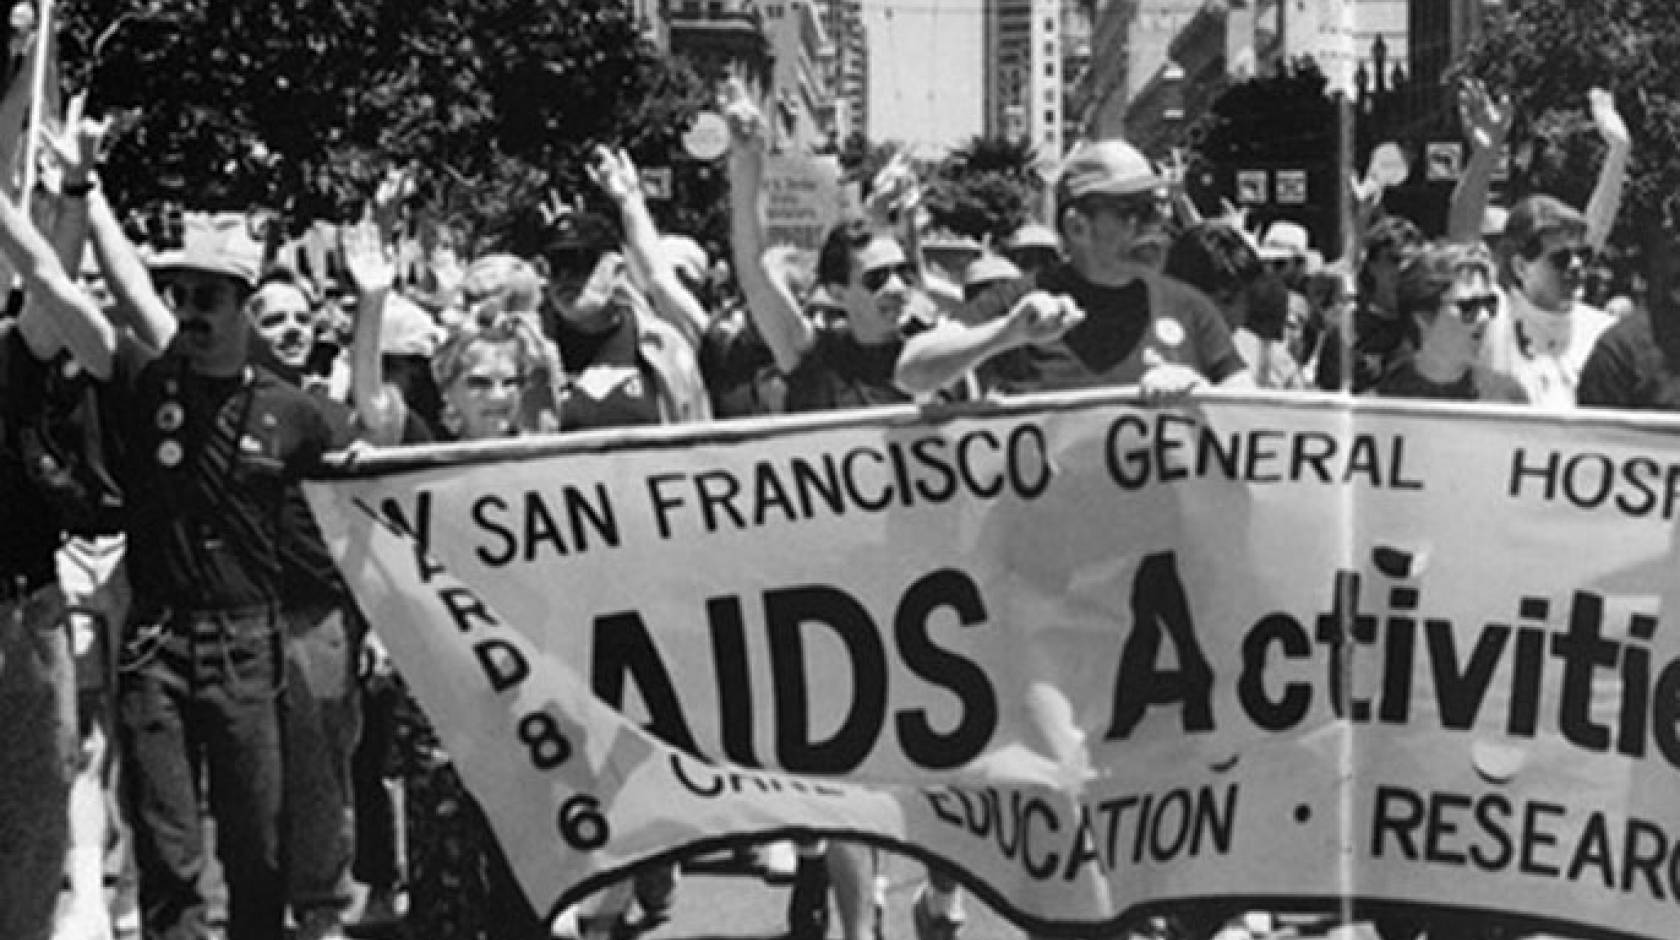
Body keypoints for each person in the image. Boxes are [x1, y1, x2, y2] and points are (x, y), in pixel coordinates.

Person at [896, 138, 1252, 401]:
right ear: (1078, 226)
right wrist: (1006, 335)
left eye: (1158, 210)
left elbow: (1254, 411)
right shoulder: (1021, 303)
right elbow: (910, 372)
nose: (1155, 225)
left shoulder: (1190, 308)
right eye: (1136, 211)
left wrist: (1202, 395)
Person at [1479, 194, 1614, 408]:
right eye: (1561, 258)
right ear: (1521, 267)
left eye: (1583, 255)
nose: (1577, 265)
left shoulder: (1606, 333)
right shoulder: (1488, 327)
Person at [1373, 242, 1526, 402]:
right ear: (1423, 318)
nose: (1484, 317)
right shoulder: (1377, 406)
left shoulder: (1507, 399)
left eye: (1489, 303)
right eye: (1468, 306)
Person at [1163, 221, 1305, 390]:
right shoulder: (1141, 347)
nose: (1226, 315)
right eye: (1203, 303)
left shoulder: (1270, 359)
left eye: (1232, 301)